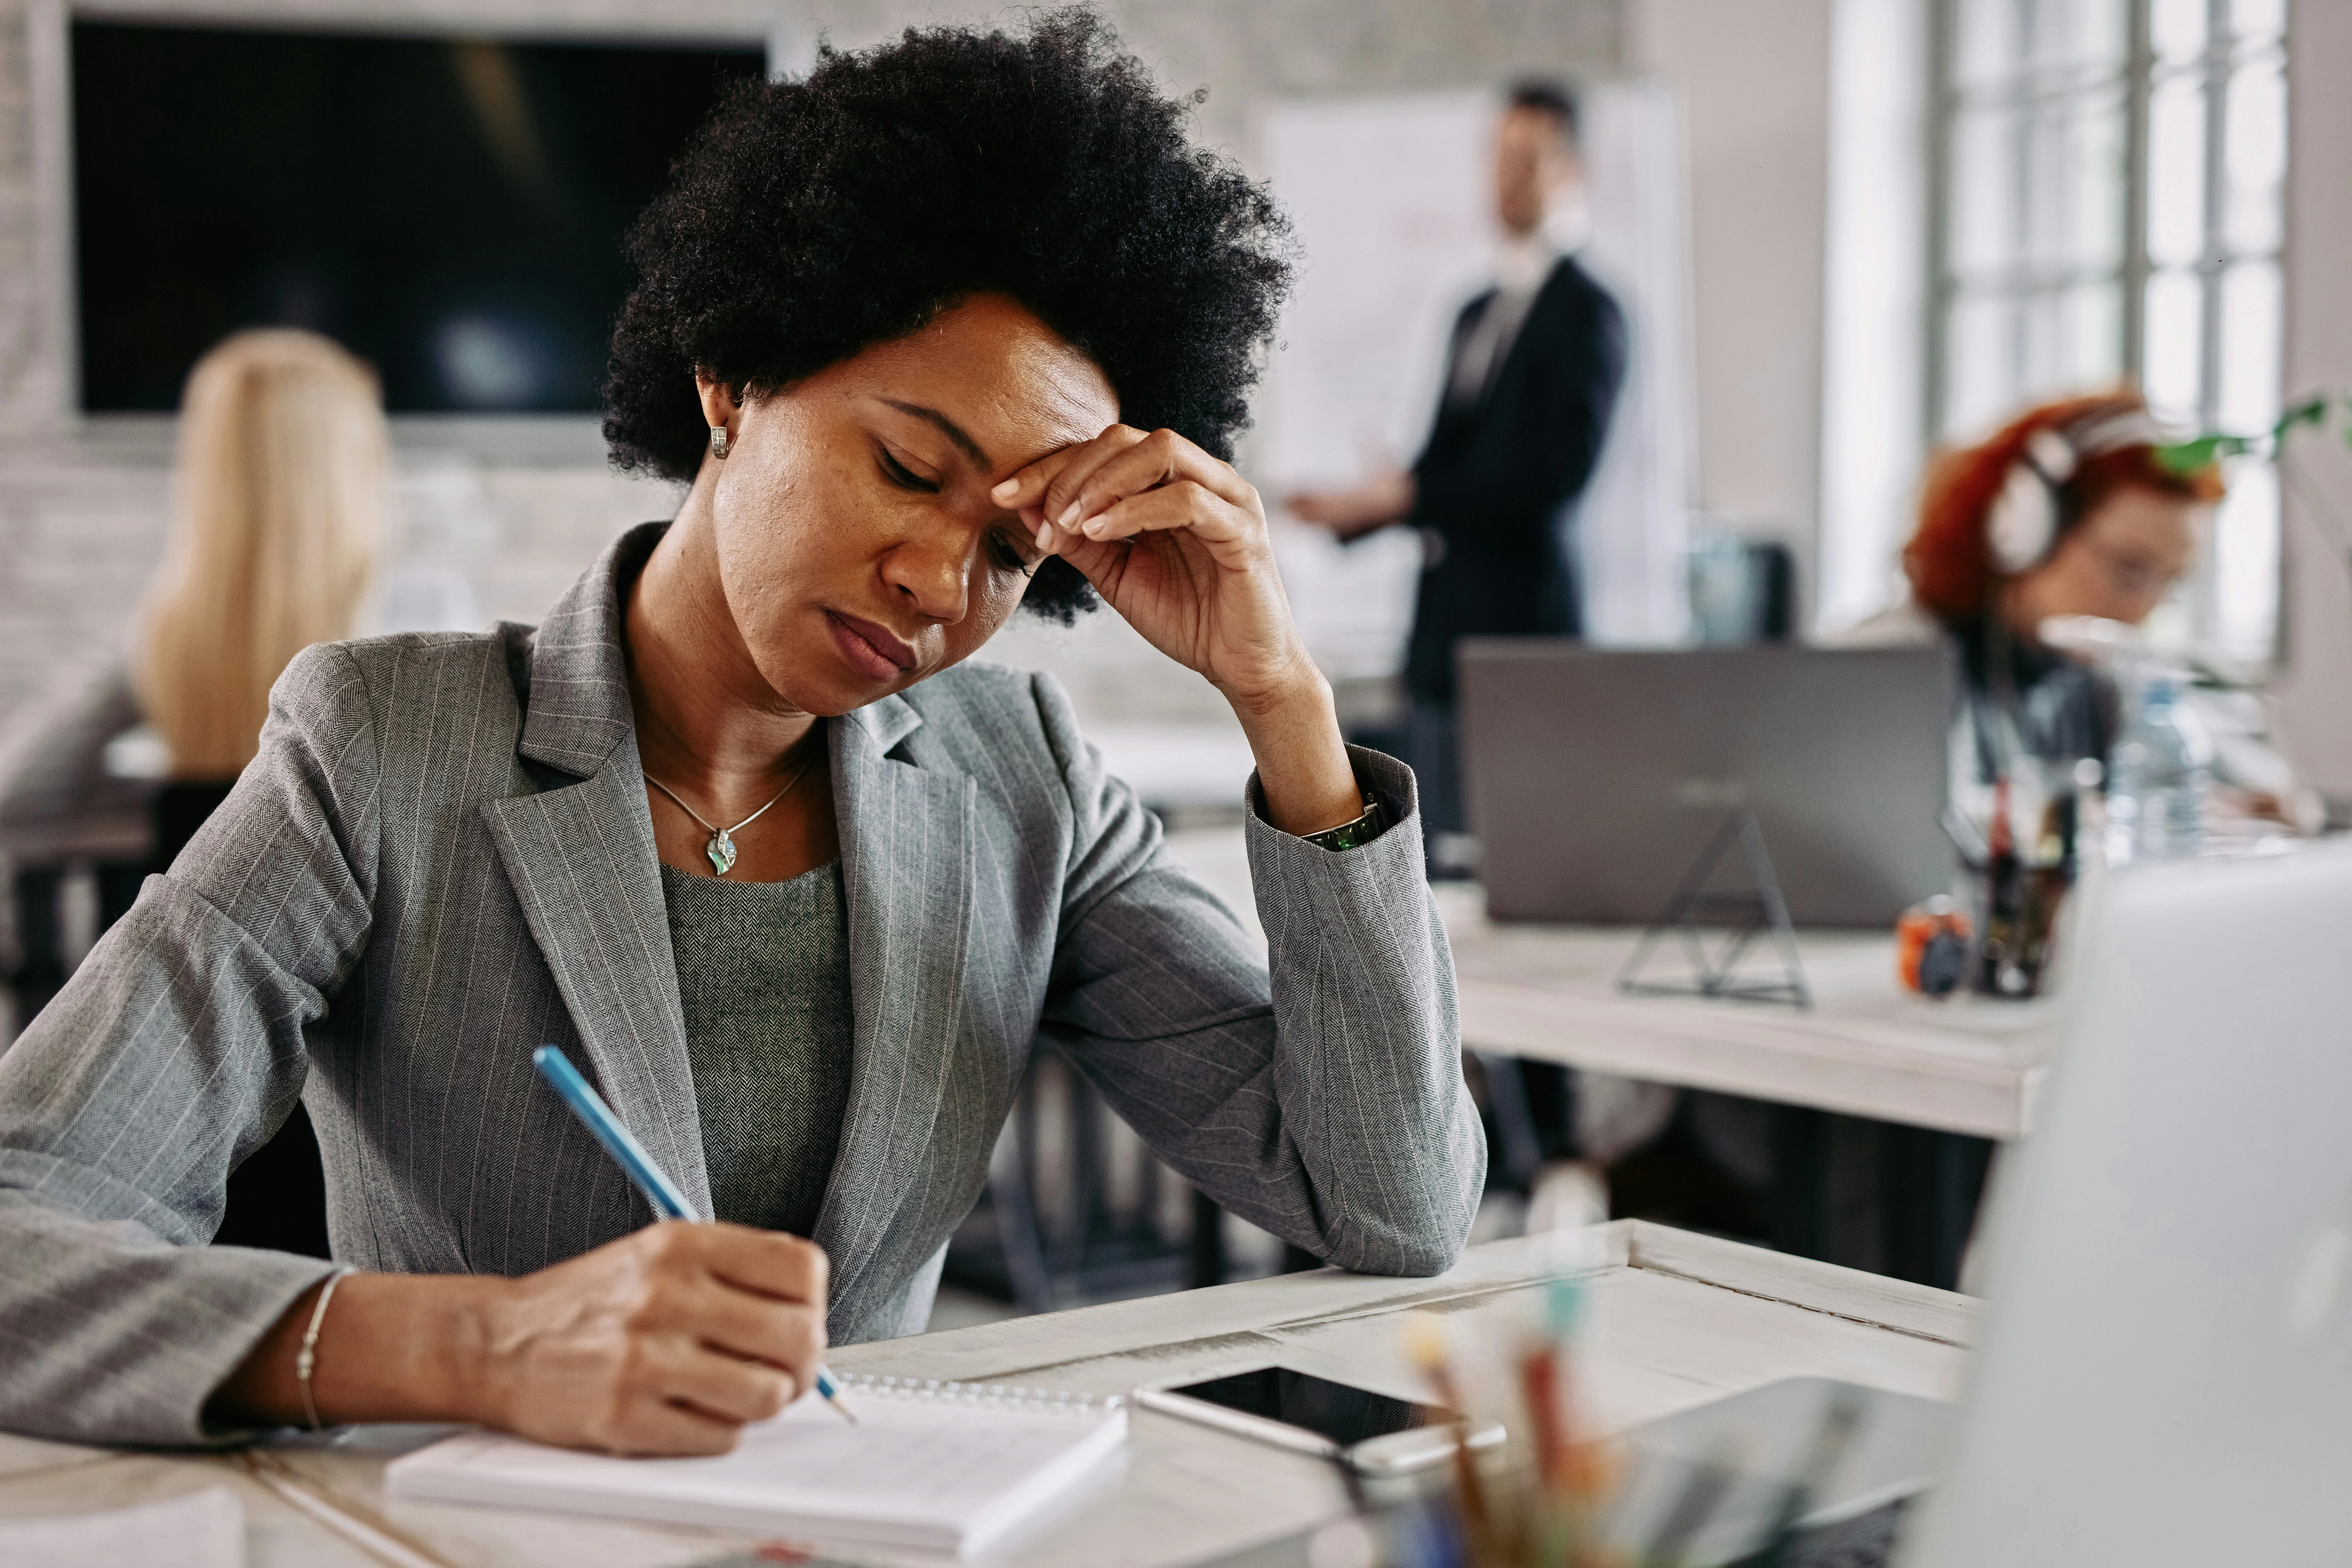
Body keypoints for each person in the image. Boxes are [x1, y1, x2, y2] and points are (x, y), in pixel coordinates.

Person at [0, 15, 1483, 1454]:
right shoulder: (385, 746)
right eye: (909, 464)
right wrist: (484, 1345)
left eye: (1017, 551)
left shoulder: (1016, 770)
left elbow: (1393, 1202)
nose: (939, 582)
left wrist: (1283, 699)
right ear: (733, 377)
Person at [0, 328, 386, 1254]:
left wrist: (150, 819)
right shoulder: (403, 662)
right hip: (347, 1114)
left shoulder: (164, 652)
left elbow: (21, 805)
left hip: (188, 1113)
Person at [1289, 80, 1628, 851]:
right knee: (1429, 848)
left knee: (1522, 851)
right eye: (1498, 157)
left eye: (1530, 159)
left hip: (1526, 632)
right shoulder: (1472, 308)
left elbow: (1554, 480)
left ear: (1572, 171)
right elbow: (1445, 467)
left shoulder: (1590, 313)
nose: (1507, 178)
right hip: (1442, 625)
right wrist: (1367, 508)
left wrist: (1409, 495)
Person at [1834, 391, 2224, 787]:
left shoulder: (2098, 686)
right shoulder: (1879, 679)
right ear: (2027, 532)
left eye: (2169, 582)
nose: (2144, 608)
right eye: (2130, 571)